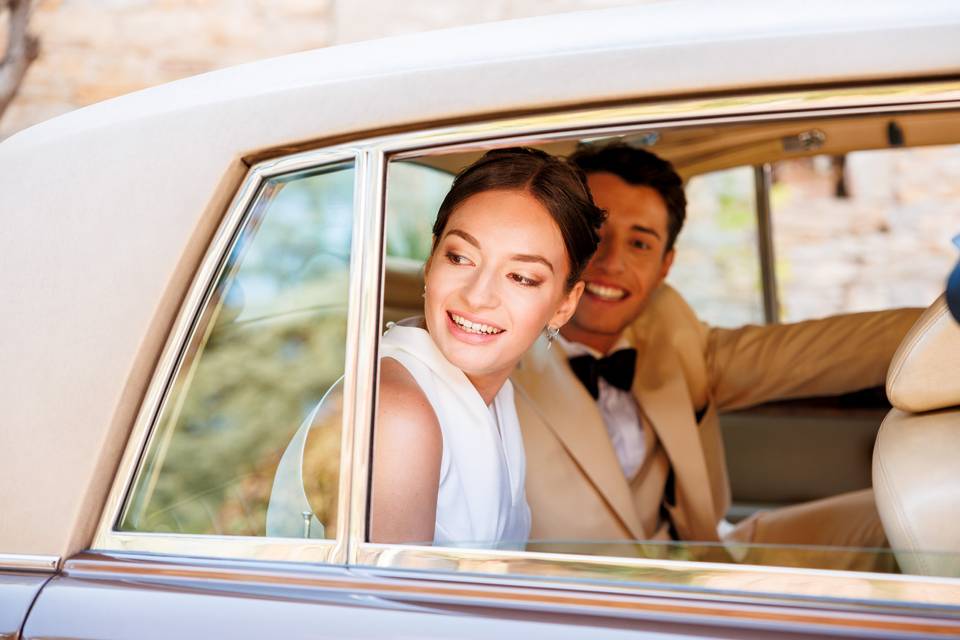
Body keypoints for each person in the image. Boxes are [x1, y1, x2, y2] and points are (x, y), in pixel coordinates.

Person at [512, 143, 923, 568]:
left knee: (921, 508)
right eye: (596, 237)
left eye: (640, 243)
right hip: (577, 600)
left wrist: (950, 322)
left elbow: (829, 352)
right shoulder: (501, 358)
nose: (612, 262)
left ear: (665, 266)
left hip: (701, 563)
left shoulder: (673, 337)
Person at [370, 147, 605, 547]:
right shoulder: (400, 413)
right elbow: (389, 609)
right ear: (431, 261)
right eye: (460, 257)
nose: (478, 296)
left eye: (522, 277)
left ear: (565, 305)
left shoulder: (498, 395)